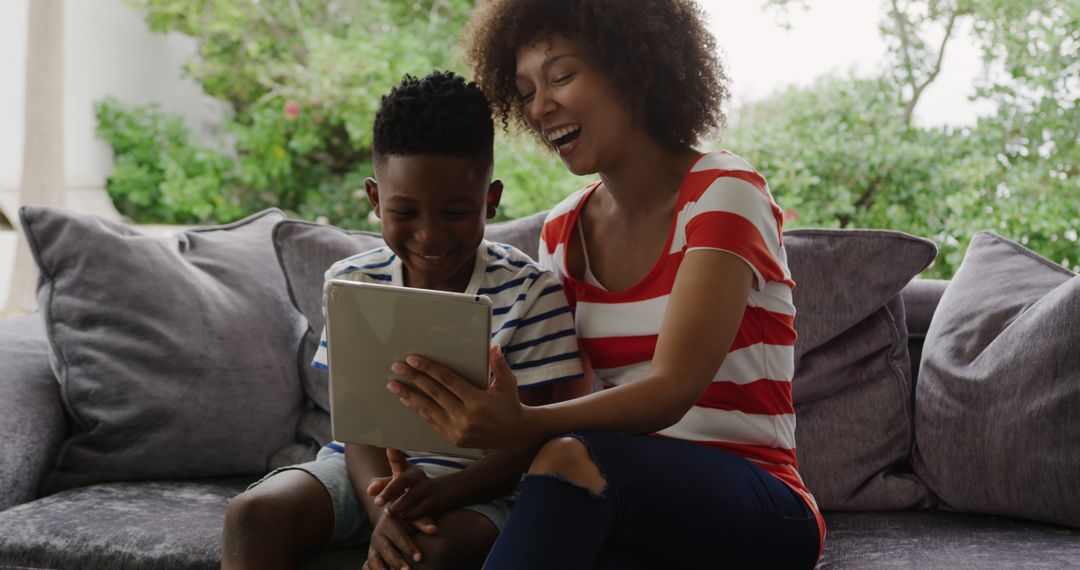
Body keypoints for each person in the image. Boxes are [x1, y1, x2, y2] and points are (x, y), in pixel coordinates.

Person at [382, 1, 826, 568]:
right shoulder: (564, 230)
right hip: (621, 500)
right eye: (524, 91)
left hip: (761, 502)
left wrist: (524, 422)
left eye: (562, 75)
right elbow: (573, 404)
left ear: (632, 68)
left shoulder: (724, 191)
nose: (541, 107)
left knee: (569, 459)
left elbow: (672, 388)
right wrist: (437, 494)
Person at [220, 70, 585, 570]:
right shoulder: (354, 284)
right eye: (405, 213)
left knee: (422, 553)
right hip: (364, 476)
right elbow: (356, 430)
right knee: (252, 515)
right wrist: (383, 511)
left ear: (491, 200)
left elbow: (529, 443)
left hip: (482, 491)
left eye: (456, 212)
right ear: (375, 200)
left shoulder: (532, 293)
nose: (430, 236)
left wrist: (440, 494)